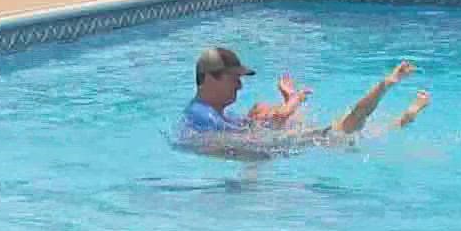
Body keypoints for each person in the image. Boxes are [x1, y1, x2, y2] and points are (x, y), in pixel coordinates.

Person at [176, 46, 429, 159]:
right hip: (265, 151)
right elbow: (252, 139)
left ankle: (397, 109)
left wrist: (286, 106)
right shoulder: (203, 116)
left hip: (268, 151)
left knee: (348, 132)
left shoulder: (216, 115)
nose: (240, 86)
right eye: (234, 79)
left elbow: (256, 134)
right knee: (346, 130)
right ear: (210, 78)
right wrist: (289, 107)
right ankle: (389, 94)